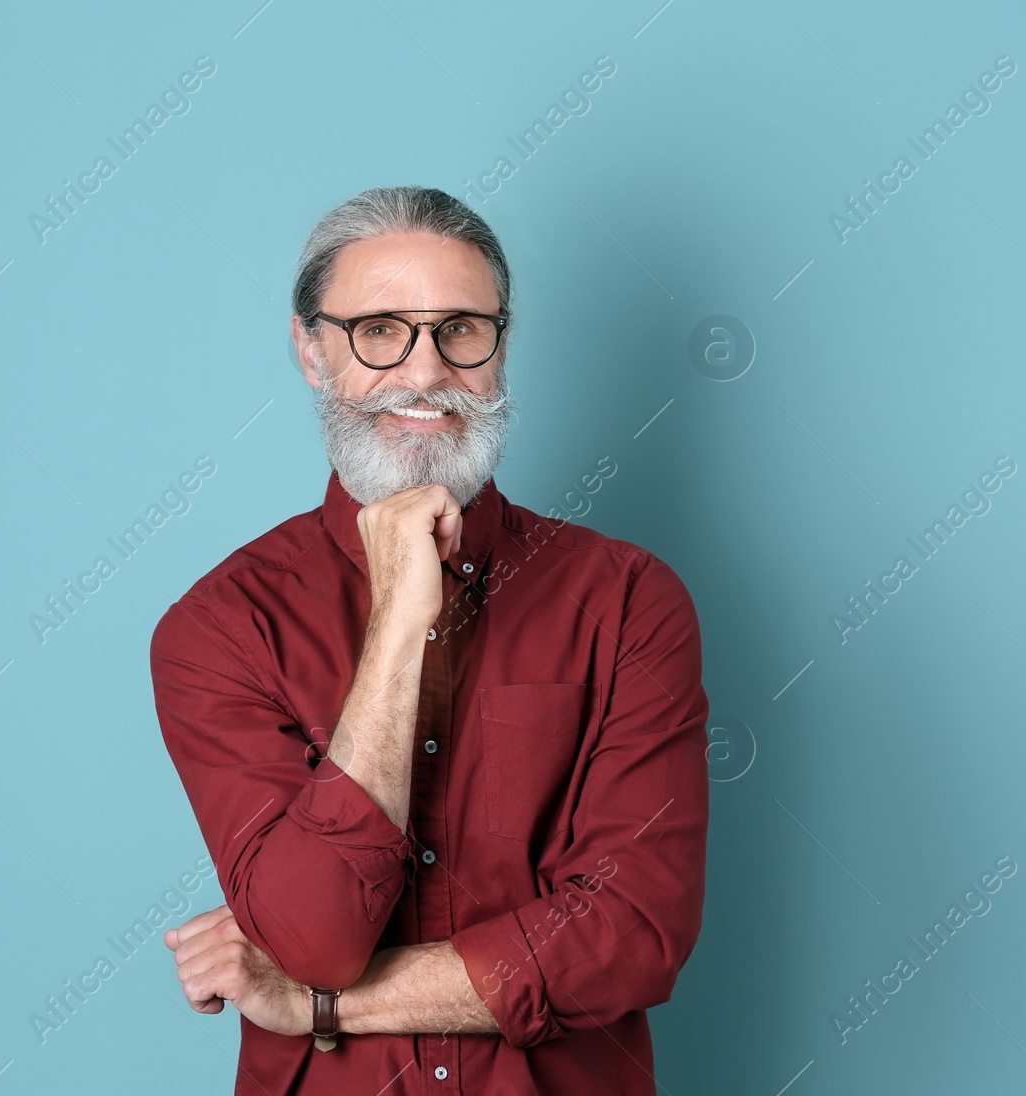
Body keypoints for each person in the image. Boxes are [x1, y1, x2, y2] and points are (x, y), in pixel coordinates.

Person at [150, 185, 709, 1095]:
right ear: (310, 349)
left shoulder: (628, 601)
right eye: (378, 330)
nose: (424, 372)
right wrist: (402, 619)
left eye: (460, 329)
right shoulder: (218, 629)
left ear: (501, 346)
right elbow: (314, 935)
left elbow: (633, 936)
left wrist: (321, 1007)